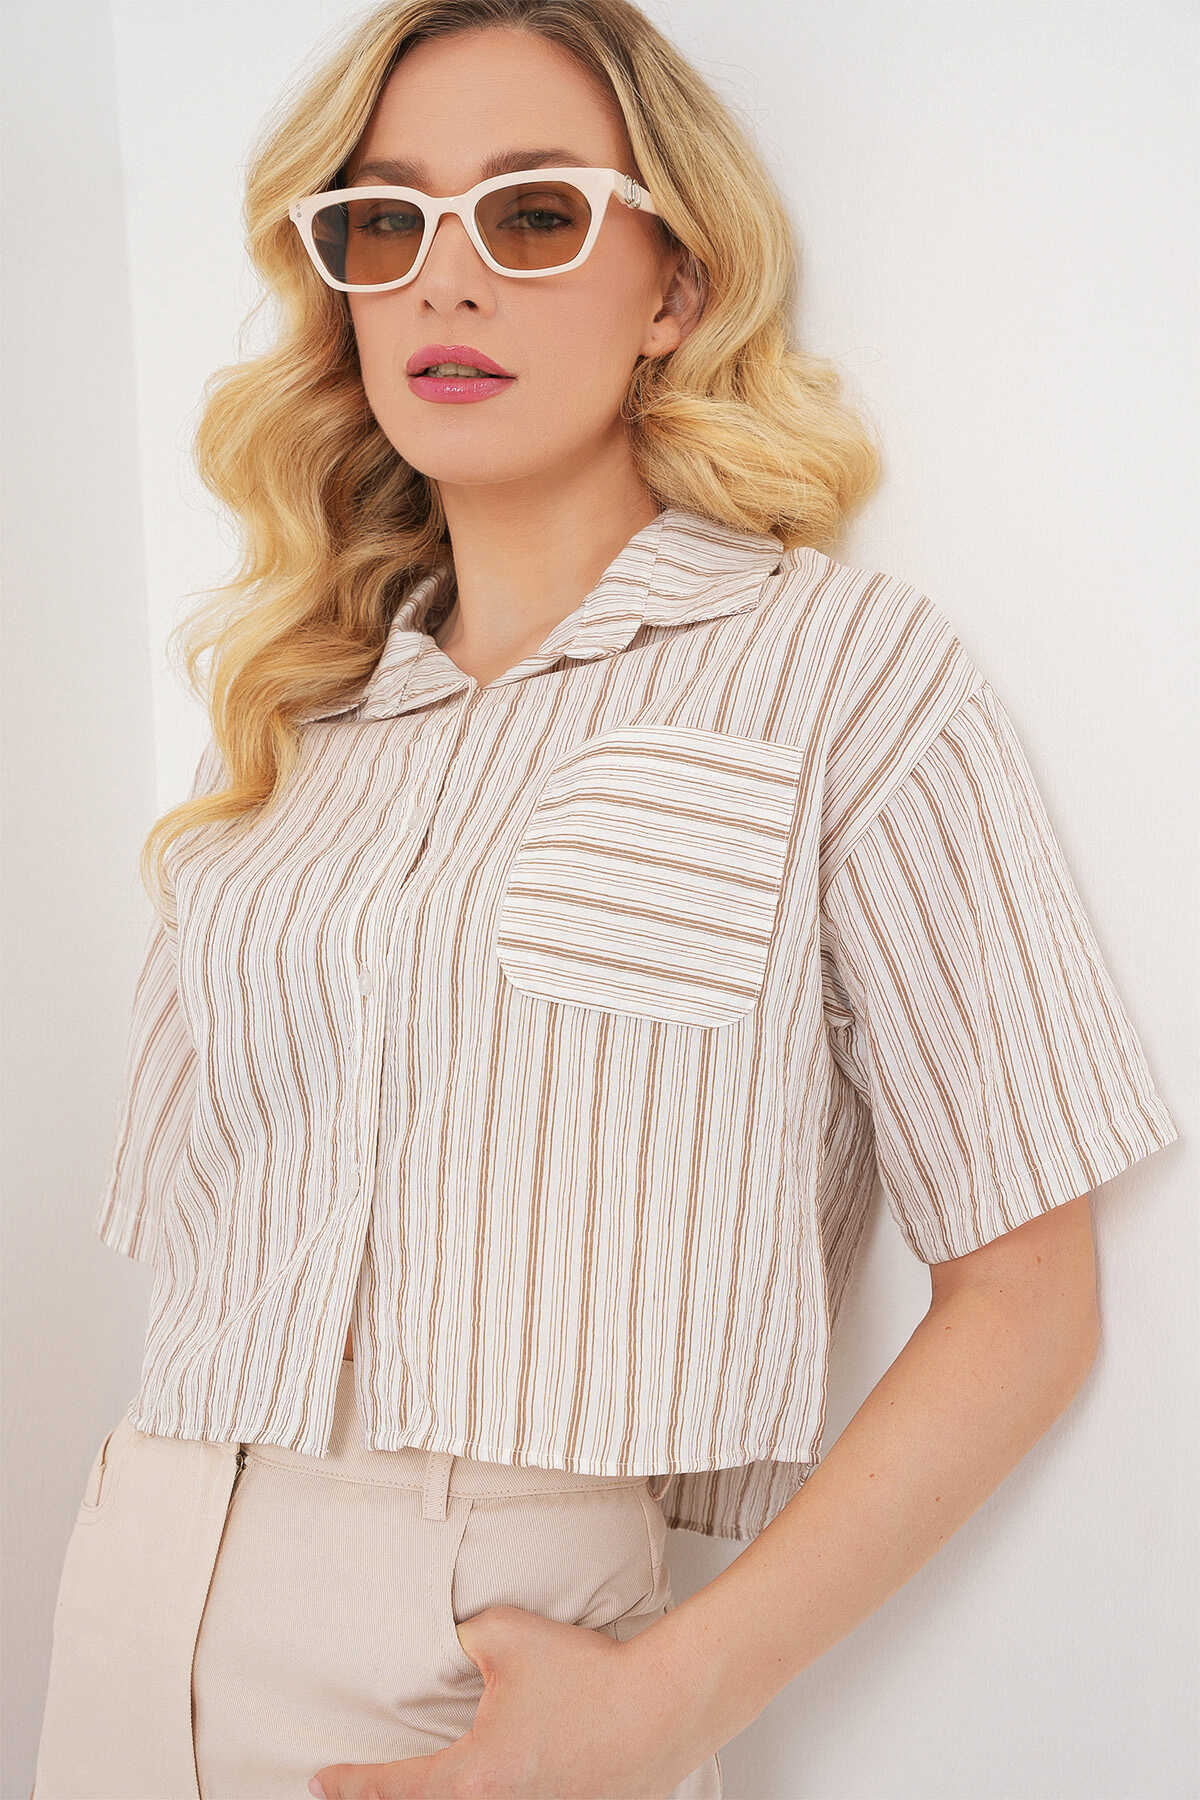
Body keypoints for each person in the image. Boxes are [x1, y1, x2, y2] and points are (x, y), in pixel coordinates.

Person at [33, 1, 1180, 1797]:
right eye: (388, 221)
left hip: (494, 1644)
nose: (446, 278)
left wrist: (673, 1700)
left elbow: (1029, 1301)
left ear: (674, 285)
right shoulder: (291, 724)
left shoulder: (840, 676)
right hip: (137, 1573)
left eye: (535, 213)